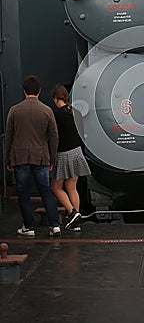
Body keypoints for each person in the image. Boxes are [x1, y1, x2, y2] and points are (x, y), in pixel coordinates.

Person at [5, 75, 61, 237]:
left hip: (20, 157)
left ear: (24, 91)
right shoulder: (47, 111)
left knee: (23, 192)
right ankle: (55, 225)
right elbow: (53, 137)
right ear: (39, 91)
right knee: (45, 191)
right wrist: (52, 158)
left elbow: (9, 137)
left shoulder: (15, 110)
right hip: (42, 157)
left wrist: (7, 159)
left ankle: (29, 227)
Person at [51, 84, 91, 232]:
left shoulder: (56, 114)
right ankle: (76, 222)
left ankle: (72, 212)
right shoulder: (77, 112)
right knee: (72, 187)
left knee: (56, 187)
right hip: (77, 152)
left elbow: (54, 137)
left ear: (55, 99)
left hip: (64, 154)